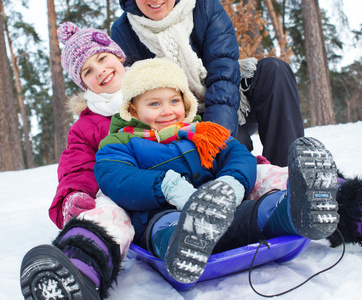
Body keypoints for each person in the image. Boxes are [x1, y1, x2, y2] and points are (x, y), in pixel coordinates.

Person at [94, 58, 340, 284]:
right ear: (134, 111)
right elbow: (115, 177)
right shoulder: (120, 142)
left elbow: (238, 154)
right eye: (154, 103)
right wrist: (165, 185)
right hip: (162, 214)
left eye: (174, 101)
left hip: (222, 207)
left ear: (186, 102)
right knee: (171, 227)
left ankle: (296, 209)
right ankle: (183, 247)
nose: (167, 111)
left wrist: (233, 182)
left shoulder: (202, 132)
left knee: (257, 210)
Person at [110, 0, 304, 167]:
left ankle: (290, 171)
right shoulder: (124, 31)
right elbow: (134, 97)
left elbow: (223, 73)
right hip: (176, 118)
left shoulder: (204, 6)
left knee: (274, 70)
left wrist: (216, 135)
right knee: (236, 146)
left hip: (229, 102)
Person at [20, 22, 135, 300]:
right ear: (84, 84)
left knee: (245, 170)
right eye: (88, 71)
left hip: (176, 176)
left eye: (102, 58)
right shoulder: (86, 127)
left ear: (118, 56)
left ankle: (259, 212)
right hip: (125, 197)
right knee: (104, 215)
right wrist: (74, 195)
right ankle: (78, 273)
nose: (100, 71)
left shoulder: (156, 90)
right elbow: (77, 167)